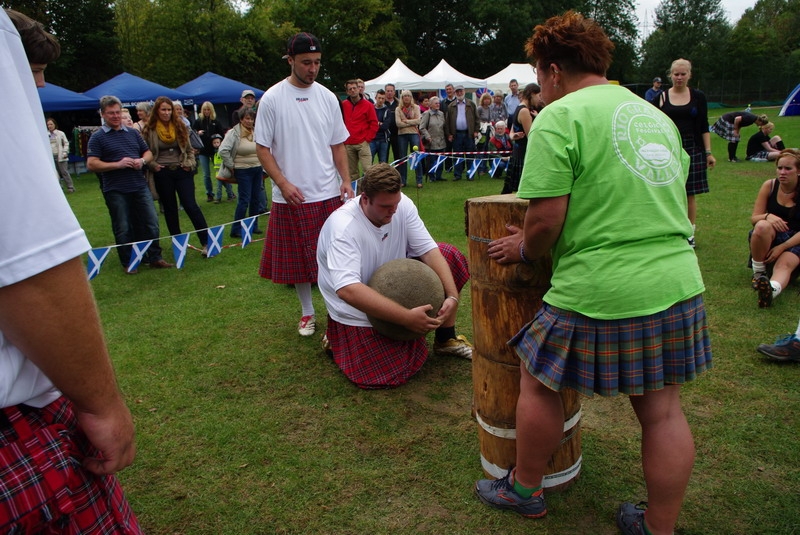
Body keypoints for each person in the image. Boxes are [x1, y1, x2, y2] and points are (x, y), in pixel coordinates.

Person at [476, 13, 711, 535]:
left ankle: (524, 490)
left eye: (539, 75)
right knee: (662, 411)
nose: (540, 86)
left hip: (601, 284)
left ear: (554, 70)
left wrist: (525, 249)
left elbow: (544, 220)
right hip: (676, 280)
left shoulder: (558, 116)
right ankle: (659, 527)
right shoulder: (654, 115)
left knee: (538, 380)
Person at [1, 8, 141, 532]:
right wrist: (102, 405)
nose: (39, 85)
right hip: (15, 423)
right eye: (32, 71)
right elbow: (27, 263)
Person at [317, 163, 473, 389]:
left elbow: (429, 251)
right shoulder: (343, 228)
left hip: (396, 285)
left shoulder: (402, 205)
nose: (393, 211)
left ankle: (446, 338)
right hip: (358, 306)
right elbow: (348, 290)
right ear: (364, 199)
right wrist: (406, 318)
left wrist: (452, 296)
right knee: (387, 374)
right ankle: (337, 338)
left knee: (449, 255)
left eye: (396, 204)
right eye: (385, 206)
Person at [255, 32, 352, 337]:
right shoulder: (272, 98)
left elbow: (337, 144)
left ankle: (338, 313)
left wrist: (346, 180)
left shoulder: (327, 97)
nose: (313, 69)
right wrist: (283, 183)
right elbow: (262, 148)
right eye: (306, 62)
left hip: (328, 191)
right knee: (299, 262)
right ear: (291, 60)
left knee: (335, 257)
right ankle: (307, 312)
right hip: (292, 195)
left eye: (317, 62)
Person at [88, 95, 173, 272]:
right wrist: (116, 165)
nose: (115, 116)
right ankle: (129, 262)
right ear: (103, 114)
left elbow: (148, 153)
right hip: (115, 189)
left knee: (151, 222)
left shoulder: (133, 133)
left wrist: (142, 161)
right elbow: (92, 163)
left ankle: (155, 257)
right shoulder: (97, 137)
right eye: (111, 113)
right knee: (123, 227)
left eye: (117, 112)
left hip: (139, 185)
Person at [651, 58, 715, 248]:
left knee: (689, 193)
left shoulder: (698, 97)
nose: (679, 77)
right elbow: (652, 123)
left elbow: (704, 126)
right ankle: (668, 230)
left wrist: (708, 153)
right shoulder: (661, 97)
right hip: (667, 148)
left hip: (692, 147)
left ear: (689, 75)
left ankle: (689, 233)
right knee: (667, 191)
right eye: (676, 74)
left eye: (683, 74)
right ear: (670, 75)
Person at [142, 96, 210, 257]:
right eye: (163, 110)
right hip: (162, 172)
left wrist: (190, 163)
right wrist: (153, 166)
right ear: (157, 111)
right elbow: (144, 151)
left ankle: (207, 242)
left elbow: (189, 149)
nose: (166, 113)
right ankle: (179, 246)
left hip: (182, 170)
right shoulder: (149, 129)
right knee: (170, 209)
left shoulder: (180, 125)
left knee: (191, 205)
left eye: (169, 109)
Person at [749, 149, 800, 308]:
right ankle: (759, 274)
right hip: (771, 237)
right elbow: (754, 218)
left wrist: (783, 247)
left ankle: (771, 291)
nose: (782, 172)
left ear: (798, 171)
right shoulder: (770, 185)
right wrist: (767, 216)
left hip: (796, 240)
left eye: (788, 168)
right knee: (761, 225)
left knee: (784, 265)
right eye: (780, 168)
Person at [219, 107, 263, 238]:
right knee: (244, 200)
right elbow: (223, 150)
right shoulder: (233, 133)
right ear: (241, 119)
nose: (250, 121)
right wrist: (231, 165)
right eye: (247, 119)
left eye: (252, 119)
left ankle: (253, 226)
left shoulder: (257, 131)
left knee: (255, 199)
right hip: (242, 170)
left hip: (257, 168)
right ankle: (236, 229)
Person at [502, 83, 541, 194]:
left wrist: (513, 136)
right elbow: (531, 135)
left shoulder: (519, 108)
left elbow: (511, 132)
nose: (539, 99)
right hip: (523, 153)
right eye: (539, 95)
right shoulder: (524, 111)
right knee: (524, 190)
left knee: (512, 190)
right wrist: (539, 118)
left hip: (517, 152)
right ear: (532, 94)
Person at [342, 79, 378, 181]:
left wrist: (368, 139)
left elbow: (374, 123)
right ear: (347, 92)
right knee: (352, 172)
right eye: (350, 89)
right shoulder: (343, 105)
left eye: (354, 88)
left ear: (359, 89)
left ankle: (369, 189)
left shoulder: (368, 105)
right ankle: (356, 190)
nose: (353, 90)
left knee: (368, 170)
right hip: (348, 143)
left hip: (363, 143)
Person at [445, 85, 481, 181]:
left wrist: (476, 131)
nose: (459, 93)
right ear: (455, 93)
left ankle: (470, 174)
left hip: (469, 134)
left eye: (461, 91)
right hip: (456, 134)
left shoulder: (471, 104)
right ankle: (457, 175)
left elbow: (477, 119)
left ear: (464, 91)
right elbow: (447, 122)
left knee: (470, 155)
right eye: (457, 92)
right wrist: (449, 134)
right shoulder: (451, 106)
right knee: (457, 155)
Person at [194, 100, 225, 202]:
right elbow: (192, 133)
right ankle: (209, 193)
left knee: (220, 172)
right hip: (203, 151)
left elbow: (222, 135)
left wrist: (217, 140)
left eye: (208, 110)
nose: (207, 111)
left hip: (215, 151)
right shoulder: (198, 121)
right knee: (206, 174)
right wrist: (198, 133)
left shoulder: (216, 121)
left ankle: (227, 191)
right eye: (205, 110)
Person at [395, 90, 424, 188]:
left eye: (408, 96)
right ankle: (403, 180)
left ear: (411, 97)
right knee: (403, 157)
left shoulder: (416, 107)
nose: (406, 97)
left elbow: (418, 121)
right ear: (402, 98)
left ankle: (419, 180)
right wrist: (411, 122)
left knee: (416, 156)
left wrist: (406, 121)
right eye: (404, 96)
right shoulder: (398, 109)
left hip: (414, 133)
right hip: (402, 134)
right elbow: (398, 123)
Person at [419, 96, 447, 182]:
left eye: (438, 103)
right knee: (431, 160)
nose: (438, 105)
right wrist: (428, 136)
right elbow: (422, 127)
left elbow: (444, 126)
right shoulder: (426, 114)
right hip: (431, 141)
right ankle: (431, 176)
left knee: (440, 159)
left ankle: (439, 175)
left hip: (441, 140)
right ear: (431, 105)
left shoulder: (441, 114)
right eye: (436, 103)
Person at [46, 117, 75, 193]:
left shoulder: (60, 133)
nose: (49, 126)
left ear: (55, 124)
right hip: (51, 156)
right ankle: (60, 188)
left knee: (64, 172)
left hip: (61, 155)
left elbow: (66, 143)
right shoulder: (46, 134)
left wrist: (65, 152)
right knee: (56, 174)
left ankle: (70, 187)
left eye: (51, 124)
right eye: (48, 125)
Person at [370, 89, 391, 164]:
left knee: (383, 163)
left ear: (385, 99)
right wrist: (379, 123)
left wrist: (376, 124)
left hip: (383, 140)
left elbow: (385, 126)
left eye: (382, 98)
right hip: (371, 139)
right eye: (379, 98)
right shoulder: (370, 109)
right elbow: (369, 124)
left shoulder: (387, 111)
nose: (381, 100)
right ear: (375, 98)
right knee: (369, 162)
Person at [384, 83, 400, 163]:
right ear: (385, 92)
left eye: (391, 91)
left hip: (397, 133)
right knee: (384, 156)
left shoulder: (399, 104)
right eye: (388, 91)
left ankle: (398, 170)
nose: (389, 93)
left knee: (398, 156)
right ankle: (385, 170)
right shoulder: (382, 103)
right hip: (385, 134)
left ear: (394, 92)